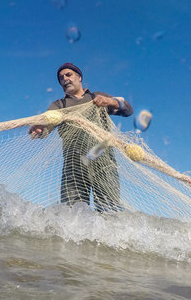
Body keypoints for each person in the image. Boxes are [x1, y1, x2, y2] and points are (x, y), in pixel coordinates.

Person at [29, 63, 133, 212]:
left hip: (104, 161)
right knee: (72, 215)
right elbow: (47, 126)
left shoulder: (96, 97)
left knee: (110, 211)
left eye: (68, 75)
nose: (64, 79)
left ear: (79, 77)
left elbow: (127, 110)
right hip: (74, 164)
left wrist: (110, 101)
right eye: (61, 78)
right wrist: (40, 128)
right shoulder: (59, 105)